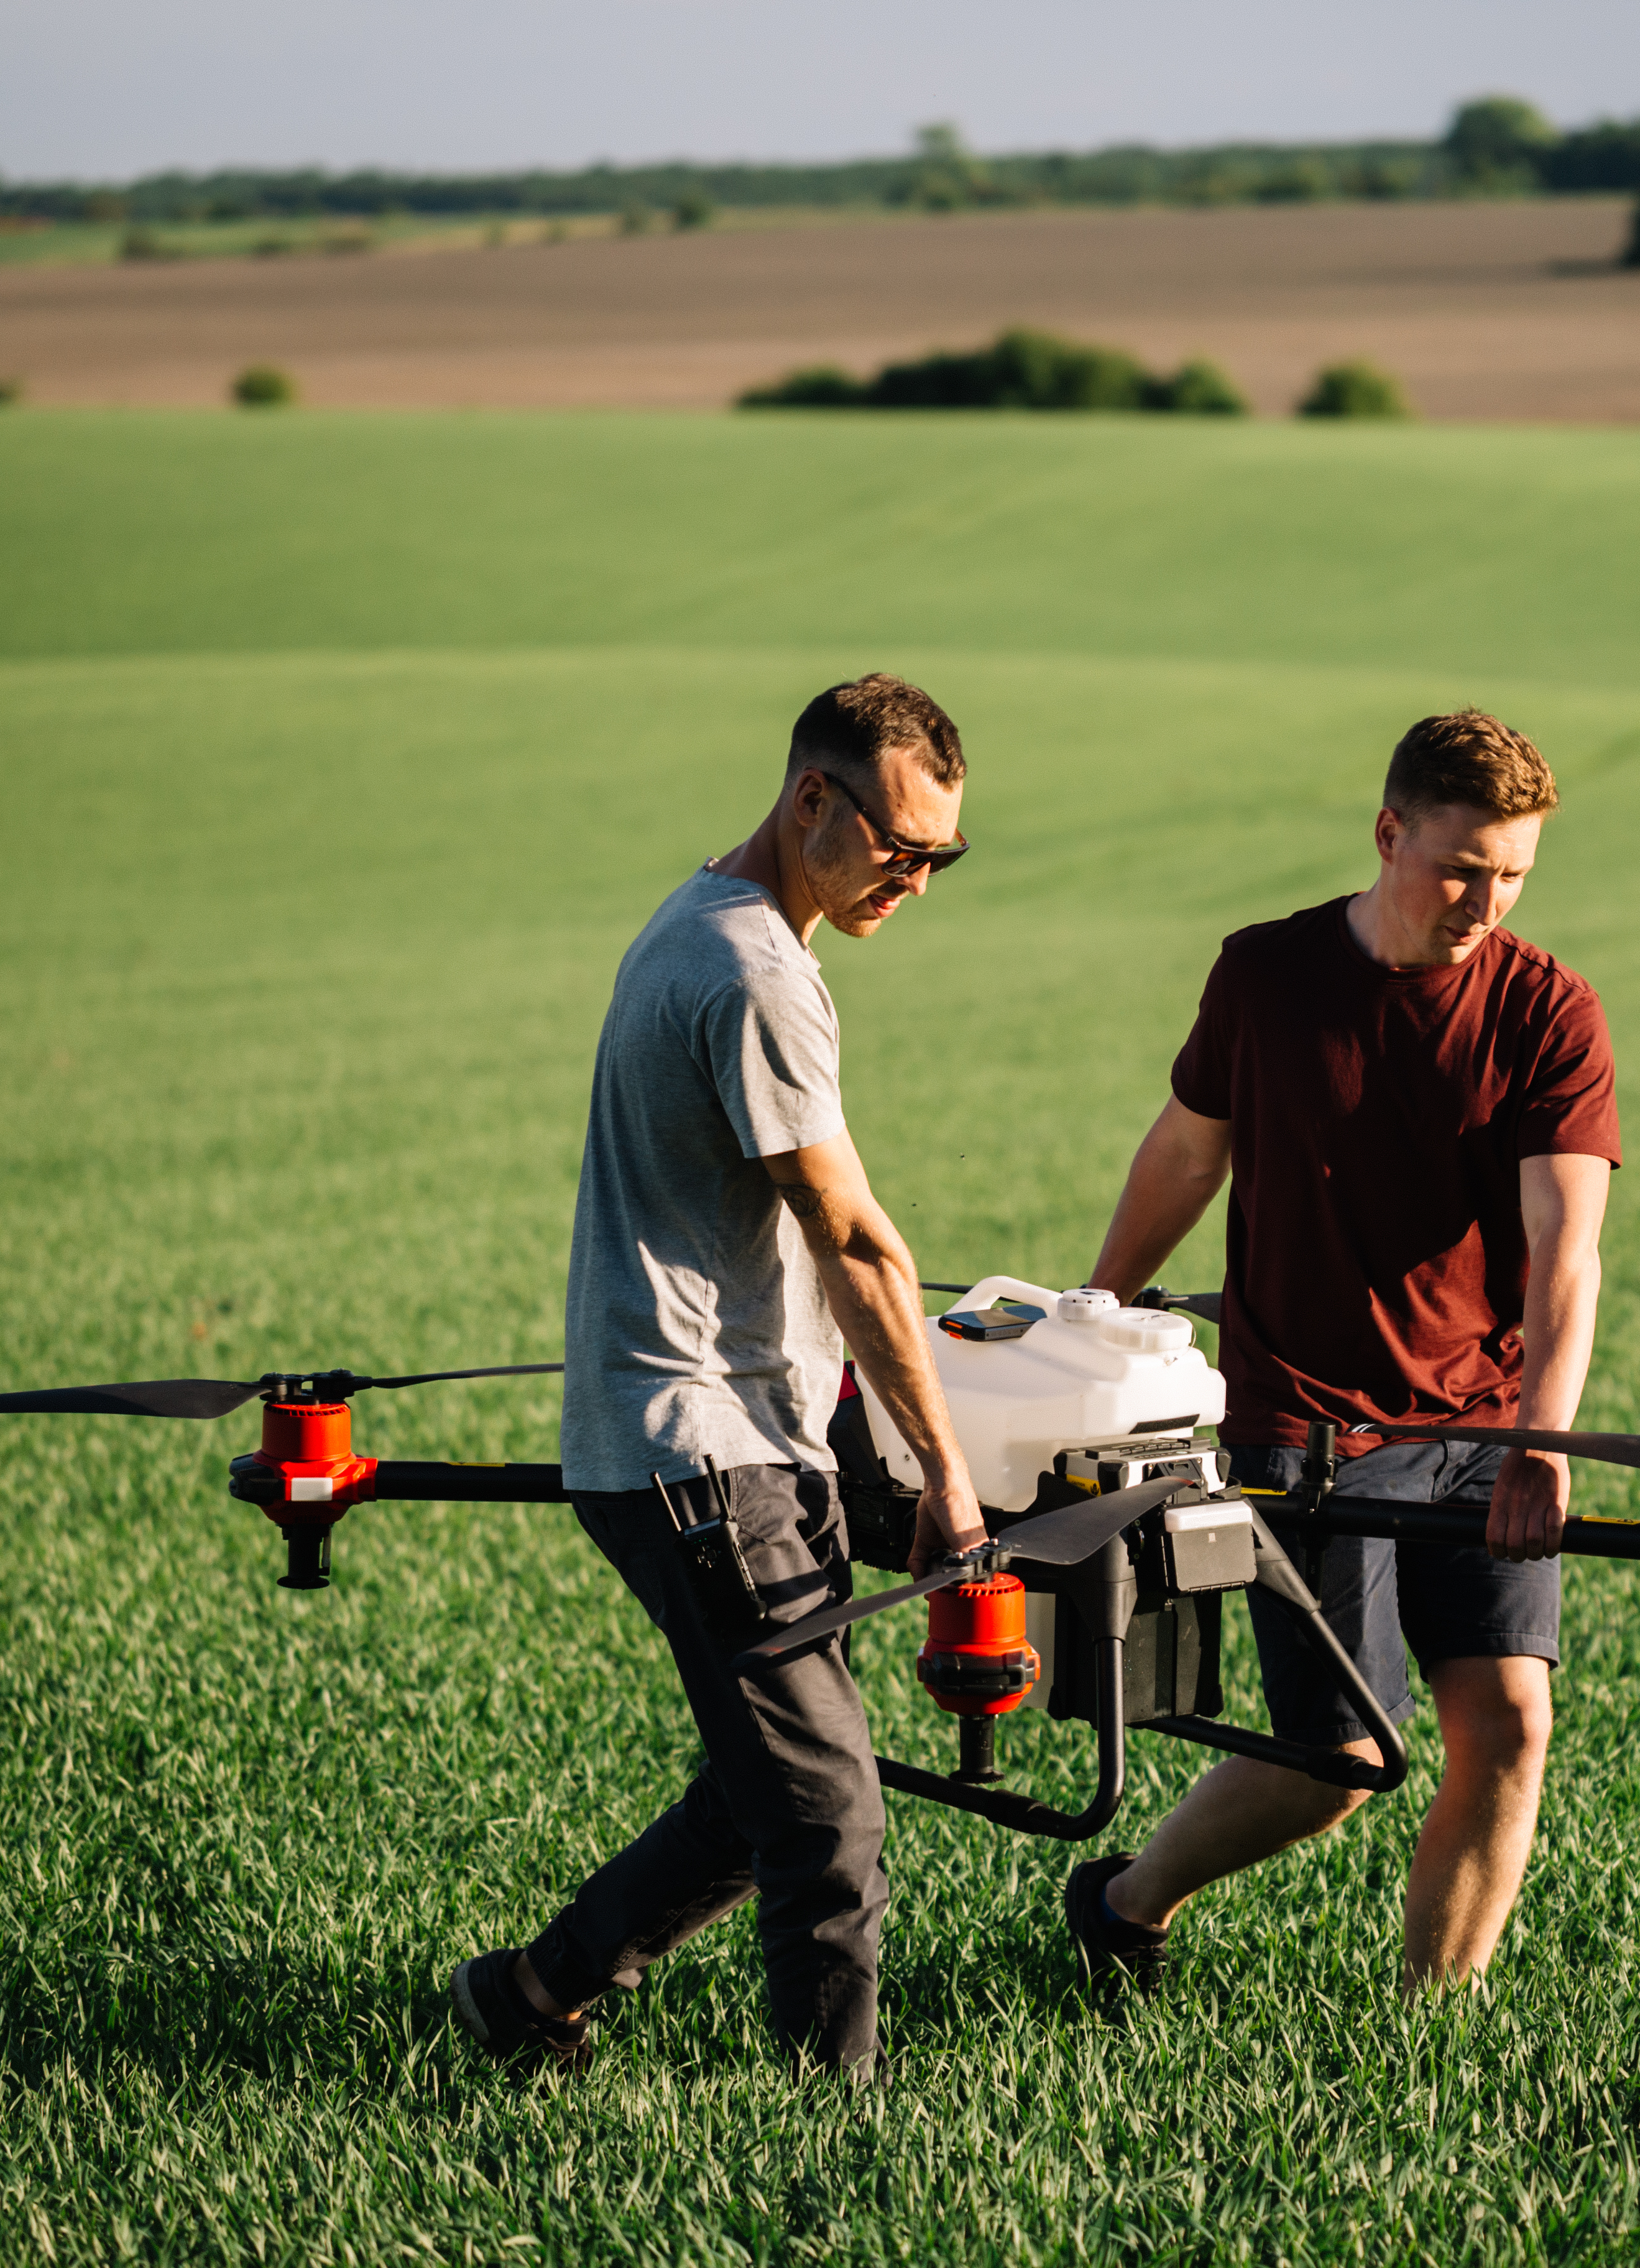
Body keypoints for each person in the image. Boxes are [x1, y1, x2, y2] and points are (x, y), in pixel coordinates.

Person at [451, 675, 986, 2081]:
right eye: (901, 848)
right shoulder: (749, 971)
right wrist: (947, 1473)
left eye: (945, 857)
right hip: (706, 1454)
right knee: (825, 1820)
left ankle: (529, 1997)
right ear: (815, 798)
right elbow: (854, 1237)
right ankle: (834, 2129)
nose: (918, 882)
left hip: (736, 1437)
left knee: (766, 1790)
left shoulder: (713, 925)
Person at [1062, 709, 1618, 1996]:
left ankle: (1436, 2021)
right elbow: (1188, 1151)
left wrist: (1542, 1441)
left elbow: (1566, 1247)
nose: (1487, 898)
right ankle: (1127, 1904)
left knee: (1511, 1725)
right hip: (1301, 1424)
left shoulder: (1548, 1011)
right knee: (1341, 1761)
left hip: (1483, 1425)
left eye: (1515, 873)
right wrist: (1097, 1309)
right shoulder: (1266, 978)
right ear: (1390, 833)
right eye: (1463, 865)